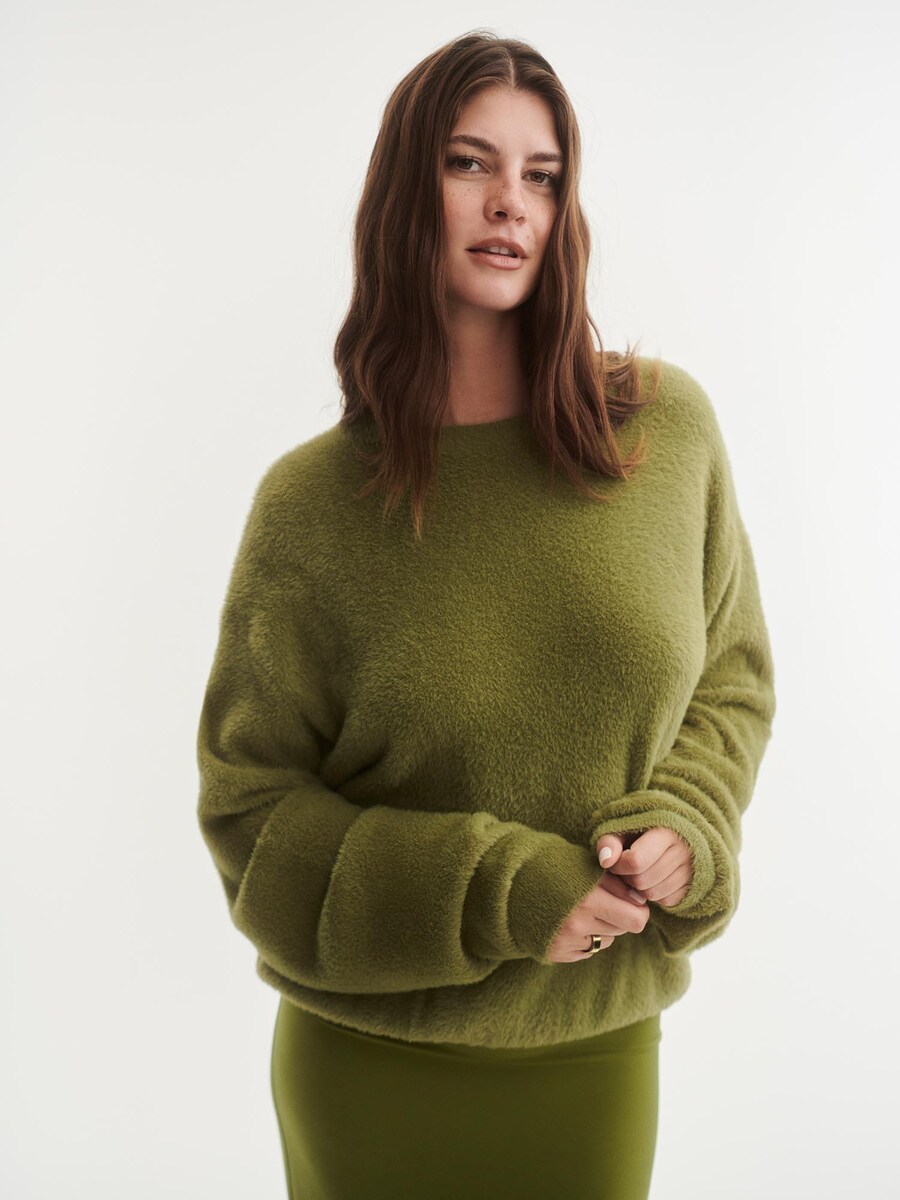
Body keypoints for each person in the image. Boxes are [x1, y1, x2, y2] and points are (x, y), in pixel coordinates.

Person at [195, 29, 776, 1200]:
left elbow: (732, 679)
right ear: (406, 194)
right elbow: (252, 817)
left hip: (593, 1057)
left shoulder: (665, 439)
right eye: (471, 163)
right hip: (368, 1071)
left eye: (542, 175)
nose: (510, 201)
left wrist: (687, 821)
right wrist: (501, 890)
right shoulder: (311, 508)